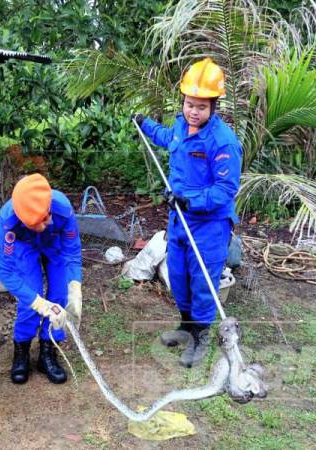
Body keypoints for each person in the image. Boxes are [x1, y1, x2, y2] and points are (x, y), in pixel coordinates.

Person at [132, 58, 242, 367]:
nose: (193, 111)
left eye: (201, 106)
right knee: (178, 277)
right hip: (178, 220)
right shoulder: (182, 126)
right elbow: (168, 139)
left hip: (208, 224)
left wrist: (189, 200)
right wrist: (145, 124)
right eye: (189, 104)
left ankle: (201, 337)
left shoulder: (223, 142)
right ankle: (185, 326)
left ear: (213, 106)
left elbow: (224, 190)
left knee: (202, 282)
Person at [0, 173, 82, 384]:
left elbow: (71, 252)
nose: (45, 223)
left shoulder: (62, 208)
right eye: (37, 223)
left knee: (60, 296)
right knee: (29, 299)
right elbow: (4, 269)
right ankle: (21, 352)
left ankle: (48, 352)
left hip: (55, 244)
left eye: (46, 218)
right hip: (25, 246)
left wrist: (75, 286)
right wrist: (37, 302)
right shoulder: (8, 221)